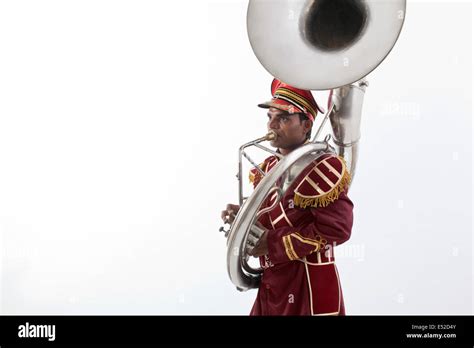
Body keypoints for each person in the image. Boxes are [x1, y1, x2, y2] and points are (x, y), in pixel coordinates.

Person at [221, 78, 354, 315]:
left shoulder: (323, 166)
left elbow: (337, 230)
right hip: (272, 286)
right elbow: (271, 219)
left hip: (308, 286)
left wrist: (271, 244)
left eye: (283, 118)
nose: (272, 125)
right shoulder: (267, 166)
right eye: (270, 116)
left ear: (306, 125)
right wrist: (242, 220)